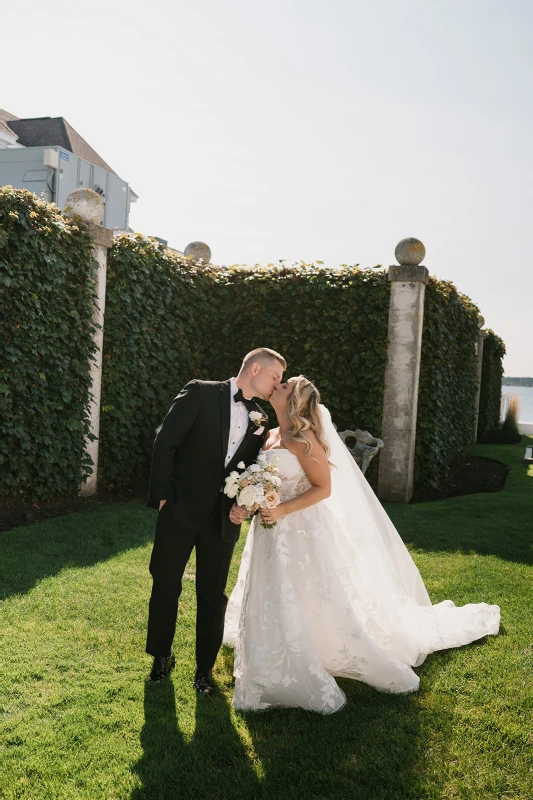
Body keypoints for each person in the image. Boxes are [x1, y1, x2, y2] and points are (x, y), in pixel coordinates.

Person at [223, 376, 500, 713]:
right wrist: (247, 504)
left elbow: (323, 488)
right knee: (274, 592)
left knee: (310, 590)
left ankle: (309, 651)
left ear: (295, 401)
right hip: (268, 532)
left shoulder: (304, 439)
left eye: (284, 385)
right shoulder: (268, 436)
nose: (276, 385)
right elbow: (263, 484)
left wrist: (281, 509)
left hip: (300, 530)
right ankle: (271, 651)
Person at [145, 347, 286, 692]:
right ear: (255, 368)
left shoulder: (261, 420)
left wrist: (244, 507)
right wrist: (163, 497)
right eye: (275, 377)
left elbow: (252, 472)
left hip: (223, 521)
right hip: (179, 510)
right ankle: (160, 658)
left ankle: (203, 671)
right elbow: (165, 442)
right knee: (165, 584)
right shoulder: (201, 392)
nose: (276, 385)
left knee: (212, 595)